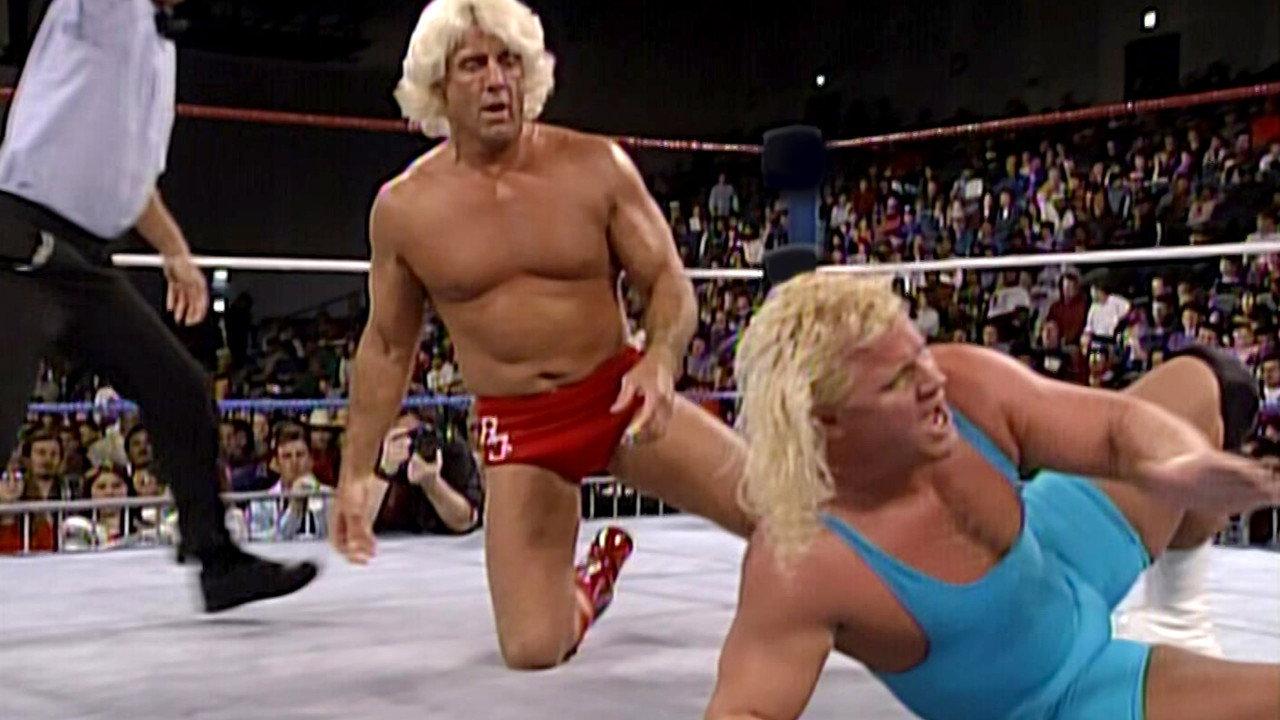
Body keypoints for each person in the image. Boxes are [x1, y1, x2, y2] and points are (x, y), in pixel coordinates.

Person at [331, 0, 749, 670]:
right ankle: (593, 581)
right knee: (531, 649)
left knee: (783, 515)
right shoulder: (405, 209)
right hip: (521, 427)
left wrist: (661, 360)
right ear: (438, 85)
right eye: (474, 65)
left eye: (509, 62)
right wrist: (355, 470)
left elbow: (667, 281)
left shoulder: (595, 165)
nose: (497, 80)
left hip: (620, 395)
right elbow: (386, 346)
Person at [706, 273, 1280, 720]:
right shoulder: (803, 561)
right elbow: (745, 710)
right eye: (897, 381)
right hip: (1058, 694)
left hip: (1058, 553)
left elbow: (1114, 429)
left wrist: (1176, 464)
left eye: (919, 354)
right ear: (826, 420)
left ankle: (1177, 614)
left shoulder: (962, 385)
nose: (932, 380)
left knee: (1206, 383)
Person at [0, 0, 316, 611]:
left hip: (85, 265)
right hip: (18, 248)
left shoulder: (159, 49)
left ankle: (216, 561)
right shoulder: (107, 11)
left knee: (182, 390)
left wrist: (175, 251)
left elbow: (131, 178)